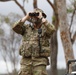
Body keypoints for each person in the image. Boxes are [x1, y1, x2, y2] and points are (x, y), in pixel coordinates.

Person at [12, 8, 56, 75]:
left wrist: (42, 19)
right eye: (33, 15)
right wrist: (26, 17)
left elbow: (52, 30)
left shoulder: (45, 29)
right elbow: (15, 28)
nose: (34, 17)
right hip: (25, 62)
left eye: (37, 15)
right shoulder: (26, 28)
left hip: (40, 62)